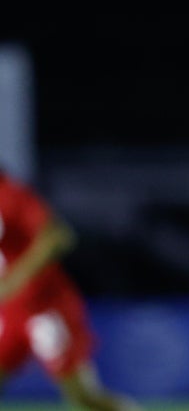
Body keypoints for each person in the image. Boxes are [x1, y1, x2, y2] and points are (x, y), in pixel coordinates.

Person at [0, 170, 143, 410]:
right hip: (9, 311)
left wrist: (13, 281)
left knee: (84, 397)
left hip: (44, 306)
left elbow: (58, 236)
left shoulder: (10, 194)